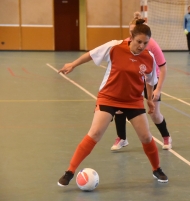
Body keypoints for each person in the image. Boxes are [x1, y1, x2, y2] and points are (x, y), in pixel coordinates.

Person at [57, 19, 168, 186]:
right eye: (138, 42)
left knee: (146, 137)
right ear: (131, 37)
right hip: (109, 97)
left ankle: (156, 169)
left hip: (133, 100)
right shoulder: (115, 47)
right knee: (95, 133)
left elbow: (150, 80)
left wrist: (150, 100)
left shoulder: (149, 57)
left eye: (145, 43)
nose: (141, 46)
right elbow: (91, 54)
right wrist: (73, 64)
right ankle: (70, 171)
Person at [111, 12, 172, 151]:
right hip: (134, 79)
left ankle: (166, 136)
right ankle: (122, 138)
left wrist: (158, 89)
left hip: (151, 80)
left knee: (154, 114)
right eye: (131, 32)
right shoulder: (126, 43)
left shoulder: (151, 44)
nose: (133, 35)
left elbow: (163, 68)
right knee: (119, 108)